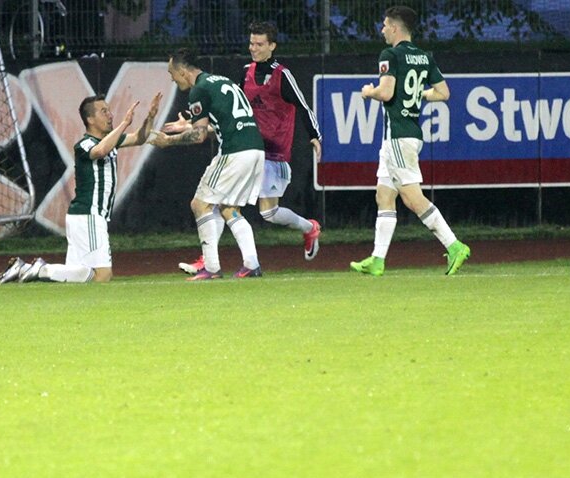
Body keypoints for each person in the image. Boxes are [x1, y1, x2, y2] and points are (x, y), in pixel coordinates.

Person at [179, 20, 323, 277]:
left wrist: (314, 135)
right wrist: (193, 122)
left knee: (268, 212)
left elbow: (303, 105)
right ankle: (210, 260)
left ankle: (309, 228)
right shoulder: (245, 72)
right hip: (247, 148)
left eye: (259, 44)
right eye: (251, 43)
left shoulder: (282, 74)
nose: (253, 48)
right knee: (219, 202)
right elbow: (229, 110)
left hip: (273, 153)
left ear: (272, 46)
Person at [350, 6, 470, 277]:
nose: (382, 30)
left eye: (384, 25)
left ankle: (454, 246)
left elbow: (386, 92)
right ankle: (377, 259)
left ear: (394, 28)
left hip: (398, 136)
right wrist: (419, 95)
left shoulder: (389, 55)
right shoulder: (424, 57)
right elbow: (444, 93)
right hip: (406, 135)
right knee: (384, 195)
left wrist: (369, 91)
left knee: (412, 198)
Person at [0, 91, 162, 284]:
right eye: (103, 111)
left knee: (79, 277)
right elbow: (100, 151)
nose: (110, 115)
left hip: (83, 217)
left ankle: (25, 268)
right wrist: (124, 123)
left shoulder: (111, 141)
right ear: (90, 119)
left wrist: (150, 117)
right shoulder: (84, 144)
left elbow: (139, 138)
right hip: (88, 214)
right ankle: (41, 269)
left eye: (109, 110)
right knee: (103, 275)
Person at [150, 48, 265, 280]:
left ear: (183, 71)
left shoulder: (199, 89)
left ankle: (211, 268)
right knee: (229, 208)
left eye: (172, 73)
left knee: (200, 204)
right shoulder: (221, 81)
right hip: (255, 149)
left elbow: (199, 135)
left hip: (234, 152)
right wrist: (188, 126)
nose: (172, 78)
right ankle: (251, 265)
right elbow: (222, 125)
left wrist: (168, 141)